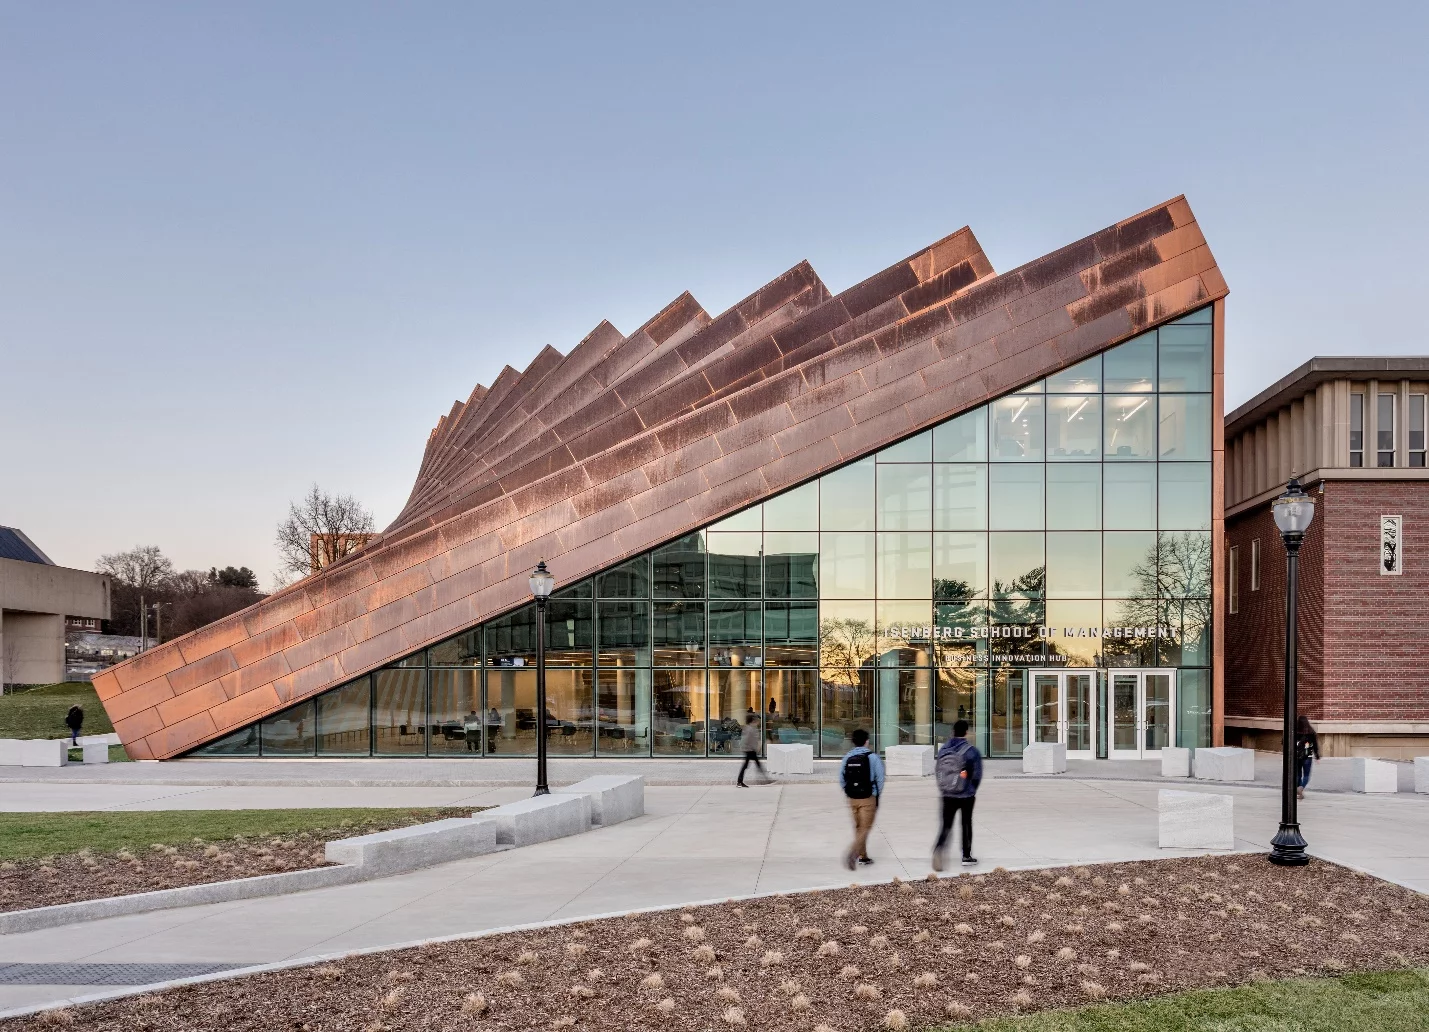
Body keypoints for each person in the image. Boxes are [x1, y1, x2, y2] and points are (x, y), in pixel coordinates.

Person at [932, 719, 982, 870]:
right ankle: (966, 856)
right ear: (966, 732)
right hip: (966, 795)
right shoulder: (971, 751)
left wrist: (944, 787)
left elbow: (938, 770)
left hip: (947, 794)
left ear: (953, 732)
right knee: (966, 823)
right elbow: (977, 775)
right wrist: (971, 788)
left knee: (946, 825)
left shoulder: (944, 749)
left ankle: (939, 848)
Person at [838, 729, 884, 870]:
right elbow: (880, 779)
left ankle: (863, 856)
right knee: (865, 827)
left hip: (852, 798)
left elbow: (841, 778)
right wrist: (875, 794)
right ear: (866, 741)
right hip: (868, 797)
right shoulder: (873, 757)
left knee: (858, 827)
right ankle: (853, 852)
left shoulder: (847, 757)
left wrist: (848, 791)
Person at [736, 714, 768, 787]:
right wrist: (747, 748)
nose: (757, 721)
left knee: (749, 765)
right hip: (749, 750)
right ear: (752, 720)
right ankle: (765, 779)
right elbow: (746, 740)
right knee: (755, 765)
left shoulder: (752, 728)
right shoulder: (749, 728)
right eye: (755, 719)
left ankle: (740, 781)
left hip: (750, 749)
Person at [1295, 714, 1320, 801]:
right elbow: (1315, 745)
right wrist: (1317, 756)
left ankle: (1298, 789)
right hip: (1307, 756)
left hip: (1296, 756)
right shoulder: (1311, 732)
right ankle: (1301, 788)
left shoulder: (1294, 731)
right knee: (1306, 775)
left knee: (1298, 774)